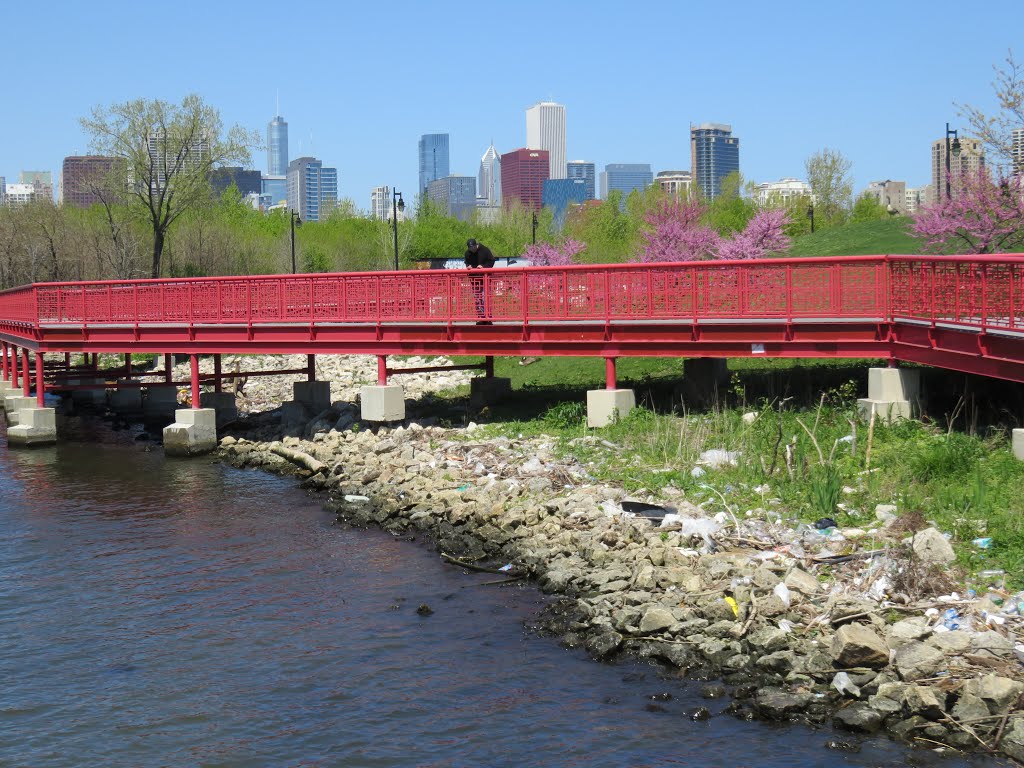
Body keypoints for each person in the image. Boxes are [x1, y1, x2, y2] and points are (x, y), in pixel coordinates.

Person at [464, 239, 495, 322]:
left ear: (476, 245)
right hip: (474, 279)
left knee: (485, 297)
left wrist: (483, 267)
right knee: (477, 298)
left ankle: (488, 316)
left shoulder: (485, 250)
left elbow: (492, 261)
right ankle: (480, 317)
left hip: (485, 278)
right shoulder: (468, 253)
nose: (472, 250)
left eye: (473, 247)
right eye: (470, 248)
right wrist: (468, 266)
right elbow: (466, 262)